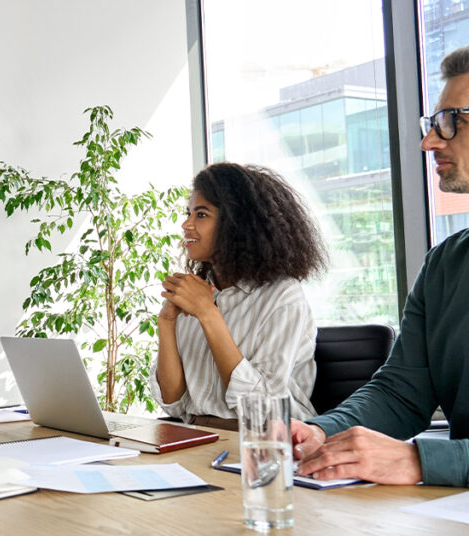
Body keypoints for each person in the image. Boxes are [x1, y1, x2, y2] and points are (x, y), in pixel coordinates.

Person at [291, 46, 469, 488]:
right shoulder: (445, 264)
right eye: (432, 124)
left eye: (452, 121)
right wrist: (321, 432)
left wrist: (420, 460)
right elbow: (400, 394)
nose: (429, 141)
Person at [150, 163, 327, 430]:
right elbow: (173, 402)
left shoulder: (282, 297)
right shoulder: (197, 291)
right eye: (189, 213)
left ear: (236, 223)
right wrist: (166, 322)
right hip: (197, 435)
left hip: (264, 442)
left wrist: (208, 314)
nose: (186, 224)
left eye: (201, 214)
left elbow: (263, 408)